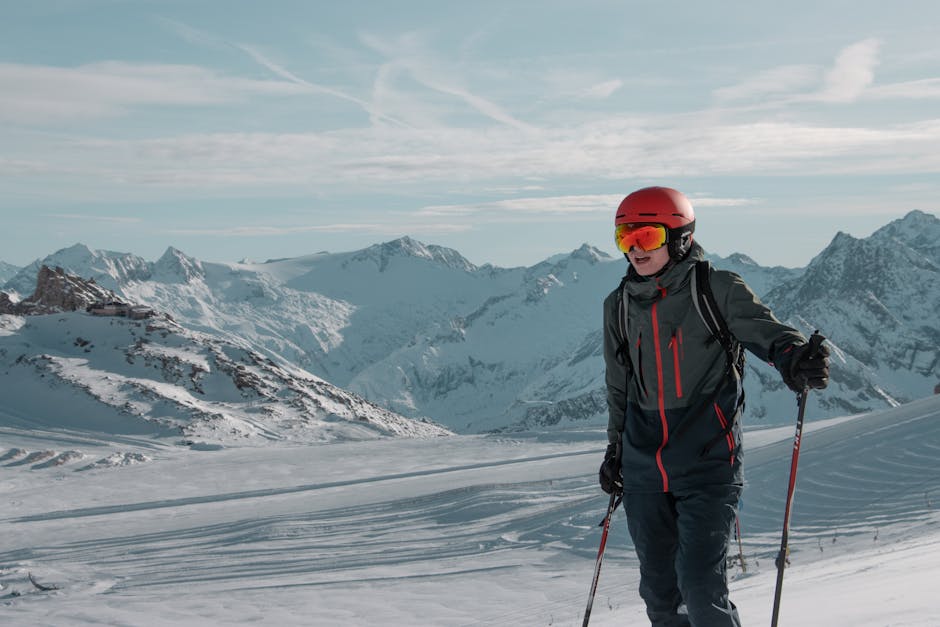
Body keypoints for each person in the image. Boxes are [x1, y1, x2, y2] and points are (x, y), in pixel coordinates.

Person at [598, 186, 830, 627]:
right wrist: (615, 451)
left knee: (702, 591)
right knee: (661, 599)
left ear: (680, 236)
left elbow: (768, 332)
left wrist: (796, 357)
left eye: (645, 237)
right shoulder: (619, 305)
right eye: (624, 238)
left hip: (708, 463)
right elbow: (619, 387)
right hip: (645, 469)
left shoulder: (714, 288)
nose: (633, 249)